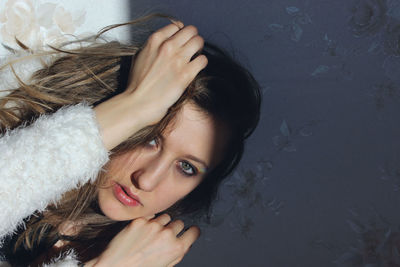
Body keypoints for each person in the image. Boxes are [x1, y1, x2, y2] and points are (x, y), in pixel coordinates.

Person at [0, 14, 261, 266]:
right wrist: (135, 104)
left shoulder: (142, 259)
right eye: (150, 139)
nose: (146, 180)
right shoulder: (10, 110)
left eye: (187, 168)